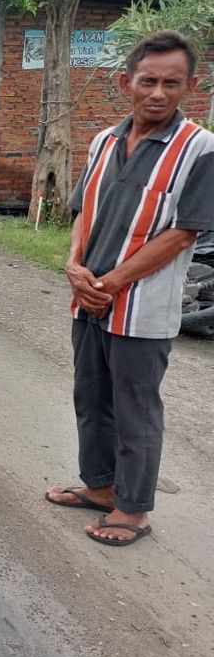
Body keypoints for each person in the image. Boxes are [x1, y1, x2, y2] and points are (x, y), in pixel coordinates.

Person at [45, 30, 214, 547]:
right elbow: (82, 212)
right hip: (88, 300)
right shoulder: (103, 141)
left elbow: (185, 230)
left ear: (192, 85)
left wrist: (111, 282)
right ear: (127, 83)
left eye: (172, 83)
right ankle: (100, 488)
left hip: (141, 309)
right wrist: (75, 266)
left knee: (135, 407)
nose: (159, 93)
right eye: (149, 81)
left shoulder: (200, 148)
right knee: (90, 399)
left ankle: (133, 509)